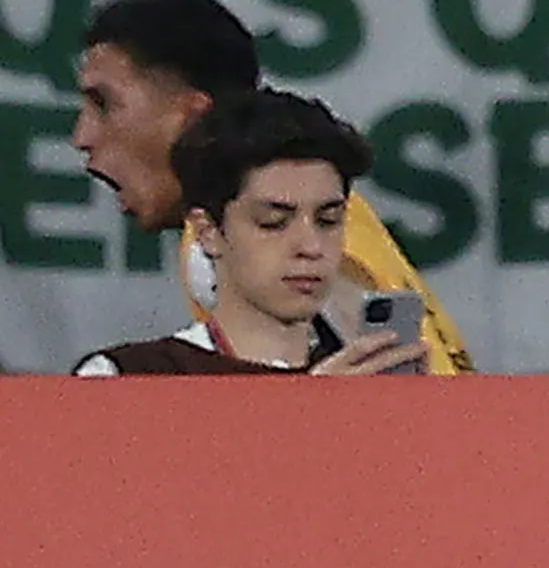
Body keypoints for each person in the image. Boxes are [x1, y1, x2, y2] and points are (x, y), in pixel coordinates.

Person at [70, 0, 473, 373]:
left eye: (103, 104)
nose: (82, 136)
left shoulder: (215, 246)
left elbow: (418, 418)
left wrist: (310, 416)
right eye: (275, 222)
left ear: (191, 116)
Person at [75, 91, 432, 377]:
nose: (310, 246)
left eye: (328, 220)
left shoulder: (372, 387)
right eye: (273, 221)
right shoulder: (125, 378)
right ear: (208, 231)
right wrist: (315, 418)